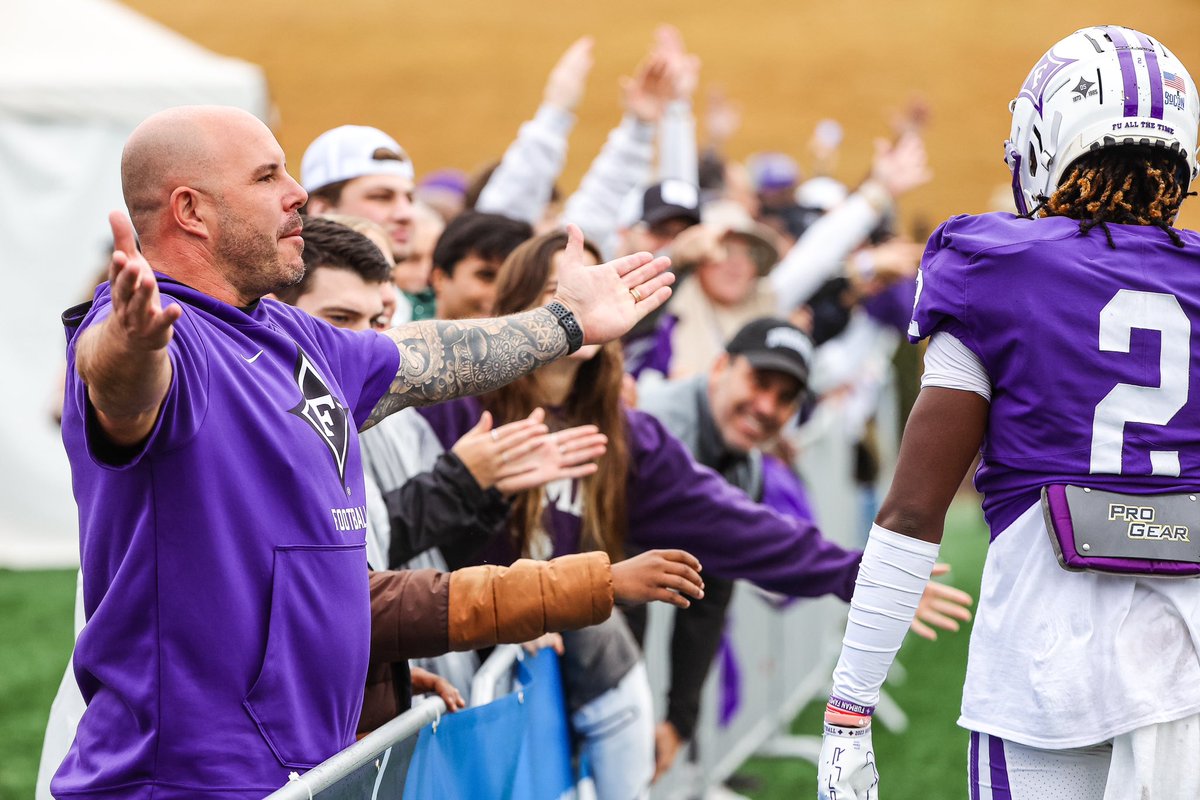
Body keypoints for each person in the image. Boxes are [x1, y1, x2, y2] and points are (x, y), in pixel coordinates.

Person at [55, 104, 673, 799]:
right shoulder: (159, 334)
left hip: (302, 769)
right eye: (267, 176)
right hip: (184, 785)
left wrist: (564, 323)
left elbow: (424, 354)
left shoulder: (288, 334)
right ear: (191, 210)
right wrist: (131, 347)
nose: (296, 192)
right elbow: (120, 387)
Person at [402, 230, 972, 800]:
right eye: (554, 292)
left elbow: (732, 527)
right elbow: (400, 534)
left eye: (586, 292)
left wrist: (860, 576)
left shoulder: (626, 437)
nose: (572, 307)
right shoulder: (459, 409)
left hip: (570, 689)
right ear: (512, 305)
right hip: (458, 687)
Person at [818, 26, 1200, 800]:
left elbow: (914, 510)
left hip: (1046, 667)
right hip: (1186, 666)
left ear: (1045, 138)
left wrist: (849, 707)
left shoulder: (993, 264)